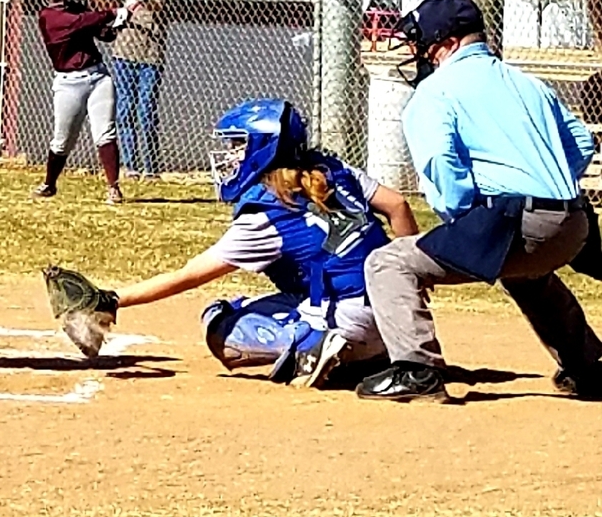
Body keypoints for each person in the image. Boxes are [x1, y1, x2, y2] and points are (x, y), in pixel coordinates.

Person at [56, 98, 418, 386]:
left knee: (220, 324)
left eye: (239, 146)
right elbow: (398, 206)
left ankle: (319, 347)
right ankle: (364, 353)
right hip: (393, 316)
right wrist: (409, 279)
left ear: (264, 149)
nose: (231, 156)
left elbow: (190, 275)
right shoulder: (331, 170)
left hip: (346, 316)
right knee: (301, 292)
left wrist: (113, 300)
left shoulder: (264, 215)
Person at [357, 0, 602, 402]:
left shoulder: (435, 93)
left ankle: (417, 371)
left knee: (389, 262)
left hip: (517, 221)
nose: (421, 56)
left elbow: (440, 161)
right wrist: (550, 180)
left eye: (425, 47)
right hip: (574, 221)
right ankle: (589, 368)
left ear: (449, 43)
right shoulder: (526, 81)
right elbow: (579, 140)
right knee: (526, 273)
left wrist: (463, 217)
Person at [78, 0, 179, 180]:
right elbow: (110, 6)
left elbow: (156, 4)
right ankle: (131, 166)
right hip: (125, 52)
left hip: (151, 54)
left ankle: (151, 167)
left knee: (147, 110)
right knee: (125, 109)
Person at [32, 0, 130, 204]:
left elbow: (103, 33)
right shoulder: (49, 17)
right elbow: (82, 22)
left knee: (105, 132)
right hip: (68, 84)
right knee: (62, 140)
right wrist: (114, 12)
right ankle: (50, 183)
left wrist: (117, 23)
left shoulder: (77, 9)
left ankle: (113, 187)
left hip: (98, 76)